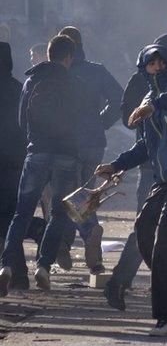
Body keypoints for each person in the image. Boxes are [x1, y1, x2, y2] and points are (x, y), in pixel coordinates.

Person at [94, 44, 167, 336]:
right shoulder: (147, 98)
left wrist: (153, 105)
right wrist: (116, 165)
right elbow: (145, 146)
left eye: (161, 62)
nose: (157, 68)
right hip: (164, 178)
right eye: (151, 64)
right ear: (142, 68)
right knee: (144, 231)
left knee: (166, 242)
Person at [0, 36, 81, 295]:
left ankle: (6, 267)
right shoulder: (75, 83)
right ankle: (43, 267)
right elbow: (83, 124)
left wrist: (35, 143)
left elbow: (23, 121)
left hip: (36, 154)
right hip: (66, 157)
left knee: (20, 213)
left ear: (48, 54)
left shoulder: (31, 80)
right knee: (57, 214)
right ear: (69, 57)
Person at [53, 26, 123, 275]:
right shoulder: (97, 71)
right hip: (93, 141)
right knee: (83, 191)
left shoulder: (58, 72)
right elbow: (119, 99)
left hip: (66, 143)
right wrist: (101, 123)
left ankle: (77, 237)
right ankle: (77, 245)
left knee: (66, 193)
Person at [0, 42, 47, 290]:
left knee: (7, 218)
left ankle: (38, 230)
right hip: (18, 160)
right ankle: (18, 275)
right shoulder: (21, 88)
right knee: (9, 216)